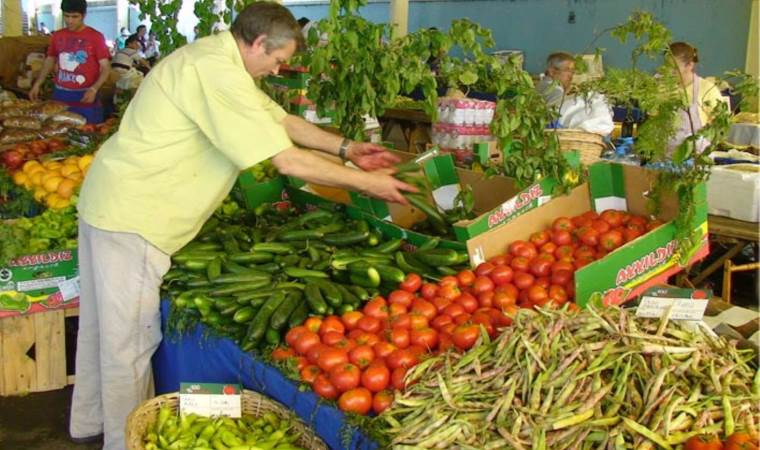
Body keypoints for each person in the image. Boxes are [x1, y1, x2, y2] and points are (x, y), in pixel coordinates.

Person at [70, 3, 414, 449]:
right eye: (276, 59)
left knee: (102, 330)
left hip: (111, 203)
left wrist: (349, 150)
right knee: (127, 344)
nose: (278, 69)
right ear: (256, 43)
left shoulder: (220, 62)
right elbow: (284, 158)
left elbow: (282, 122)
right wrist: (368, 183)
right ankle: (121, 442)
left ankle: (87, 424)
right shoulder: (216, 74)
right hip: (135, 216)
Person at [29, 0, 111, 124]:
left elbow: (106, 68)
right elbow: (49, 60)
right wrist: (38, 83)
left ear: (84, 15)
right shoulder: (57, 36)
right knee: (57, 134)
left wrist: (94, 89)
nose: (70, 21)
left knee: (86, 134)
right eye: (66, 16)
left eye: (75, 17)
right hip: (60, 95)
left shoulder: (96, 37)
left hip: (85, 96)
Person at [666, 41, 728, 154]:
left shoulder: (707, 89)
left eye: (674, 67)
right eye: (667, 67)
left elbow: (721, 127)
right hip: (666, 154)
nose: (669, 72)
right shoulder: (663, 88)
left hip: (696, 157)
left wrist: (704, 144)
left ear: (690, 65)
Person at [537, 51, 614, 136]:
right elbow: (557, 116)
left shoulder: (542, 85)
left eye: (573, 71)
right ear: (552, 72)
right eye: (567, 70)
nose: (571, 75)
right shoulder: (554, 90)